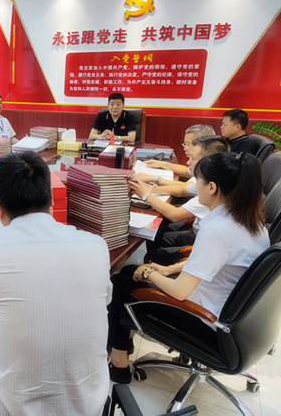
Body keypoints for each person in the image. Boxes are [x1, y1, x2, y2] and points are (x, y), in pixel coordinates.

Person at [0, 151, 112, 415]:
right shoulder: (96, 246)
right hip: (89, 409)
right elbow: (105, 299)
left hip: (8, 411)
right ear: (51, 199)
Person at [108, 152, 269, 384]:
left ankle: (119, 365)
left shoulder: (217, 229)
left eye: (198, 180)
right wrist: (169, 269)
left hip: (207, 322)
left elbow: (180, 292)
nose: (195, 185)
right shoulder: (252, 222)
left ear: (212, 187)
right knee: (130, 273)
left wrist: (147, 272)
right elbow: (216, 260)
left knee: (122, 281)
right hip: (235, 320)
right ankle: (125, 338)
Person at [129, 136, 229, 253]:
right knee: (156, 230)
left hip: (199, 240)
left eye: (192, 158)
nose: (187, 162)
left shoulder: (211, 189)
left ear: (208, 161)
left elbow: (175, 215)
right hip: (197, 228)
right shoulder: (207, 177)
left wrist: (146, 195)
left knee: (153, 238)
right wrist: (152, 190)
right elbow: (182, 190)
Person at [144, 124, 215, 180]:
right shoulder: (203, 159)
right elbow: (187, 172)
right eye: (184, 144)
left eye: (187, 144)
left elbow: (184, 188)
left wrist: (152, 178)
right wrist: (163, 164)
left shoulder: (208, 166)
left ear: (201, 144)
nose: (184, 149)